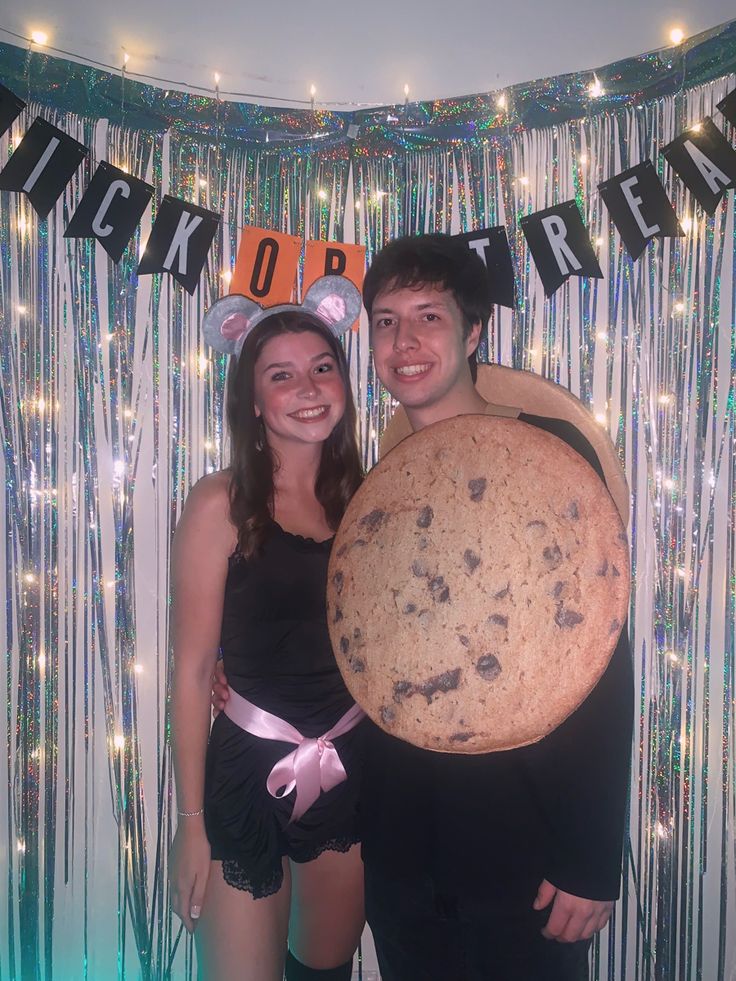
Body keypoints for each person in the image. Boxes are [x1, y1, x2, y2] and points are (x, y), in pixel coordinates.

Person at [214, 235, 635, 980]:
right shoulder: (378, 481)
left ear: (473, 331)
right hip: (400, 838)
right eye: (384, 321)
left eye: (428, 317)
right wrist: (243, 667)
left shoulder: (545, 448)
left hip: (527, 847)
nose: (404, 342)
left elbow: (600, 654)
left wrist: (591, 852)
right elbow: (361, 638)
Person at [169, 295, 367, 981]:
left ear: (344, 380)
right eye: (280, 375)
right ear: (252, 400)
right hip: (245, 776)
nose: (307, 388)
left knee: (325, 970)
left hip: (350, 769)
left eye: (321, 367)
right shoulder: (218, 503)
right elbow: (194, 671)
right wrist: (190, 823)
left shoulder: (372, 499)